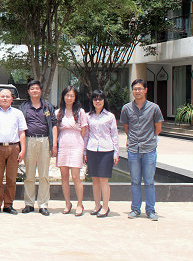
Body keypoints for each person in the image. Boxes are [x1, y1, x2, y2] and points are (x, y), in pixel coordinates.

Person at [120, 79, 163, 221]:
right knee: (135, 181)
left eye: (140, 89)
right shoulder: (126, 108)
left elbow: (158, 128)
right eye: (135, 89)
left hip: (149, 149)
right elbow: (126, 127)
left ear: (145, 90)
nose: (137, 91)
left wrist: (148, 139)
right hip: (133, 149)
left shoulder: (154, 108)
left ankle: (150, 210)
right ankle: (135, 209)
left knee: (149, 181)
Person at [20, 80, 58, 216]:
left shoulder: (47, 106)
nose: (35, 91)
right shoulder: (24, 107)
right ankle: (29, 203)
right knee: (29, 175)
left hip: (44, 141)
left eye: (37, 88)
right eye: (32, 88)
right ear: (28, 91)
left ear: (40, 91)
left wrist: (54, 144)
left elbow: (54, 124)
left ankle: (43, 204)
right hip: (29, 141)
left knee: (44, 175)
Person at [0, 89, 27, 215]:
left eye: (7, 96)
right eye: (2, 96)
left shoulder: (18, 113)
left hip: (13, 148)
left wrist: (23, 150)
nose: (5, 98)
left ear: (12, 99)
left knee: (11, 179)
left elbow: (22, 132)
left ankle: (8, 204)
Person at [85, 90, 119, 218]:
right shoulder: (88, 116)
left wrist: (116, 152)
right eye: (95, 99)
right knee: (95, 180)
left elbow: (114, 135)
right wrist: (84, 151)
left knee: (104, 180)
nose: (98, 101)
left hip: (106, 150)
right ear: (92, 101)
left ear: (104, 101)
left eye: (100, 99)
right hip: (92, 149)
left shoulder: (110, 116)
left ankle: (105, 207)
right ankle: (97, 205)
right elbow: (86, 135)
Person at [55, 86, 88, 216]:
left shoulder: (80, 112)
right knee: (64, 177)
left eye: (72, 96)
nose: (69, 98)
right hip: (63, 145)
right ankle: (67, 203)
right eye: (67, 95)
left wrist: (82, 147)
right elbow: (56, 130)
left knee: (75, 177)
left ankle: (80, 204)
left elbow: (84, 132)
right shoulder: (58, 112)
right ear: (63, 97)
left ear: (75, 98)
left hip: (76, 145)